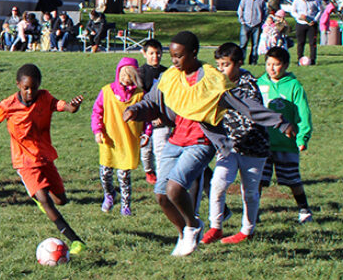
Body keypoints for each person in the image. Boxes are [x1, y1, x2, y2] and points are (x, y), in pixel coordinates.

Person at [123, 31, 294, 256]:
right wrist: (135, 110)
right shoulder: (171, 77)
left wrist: (280, 122)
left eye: (179, 56)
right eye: (172, 56)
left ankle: (193, 226)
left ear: (194, 53)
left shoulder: (212, 79)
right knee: (162, 195)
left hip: (202, 141)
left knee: (175, 188)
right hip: (175, 140)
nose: (174, 61)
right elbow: (152, 101)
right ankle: (184, 233)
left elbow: (245, 105)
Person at [0, 63, 86, 254]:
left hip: (44, 156)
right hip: (24, 160)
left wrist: (74, 106)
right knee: (44, 199)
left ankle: (41, 198)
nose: (30, 92)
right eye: (26, 88)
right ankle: (75, 240)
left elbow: (65, 107)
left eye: (34, 87)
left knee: (61, 200)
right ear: (18, 85)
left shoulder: (45, 98)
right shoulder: (7, 106)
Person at [205, 43, 274, 245]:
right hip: (228, 146)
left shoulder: (248, 84)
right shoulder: (216, 82)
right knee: (217, 184)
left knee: (250, 192)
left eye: (225, 65)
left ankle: (247, 230)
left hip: (253, 146)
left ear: (238, 63)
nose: (221, 69)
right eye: (218, 64)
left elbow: (249, 114)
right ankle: (215, 227)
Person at [258, 46, 314, 224]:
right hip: (263, 144)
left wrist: (302, 137)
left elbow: (303, 113)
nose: (272, 68)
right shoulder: (259, 84)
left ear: (286, 65)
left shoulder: (294, 86)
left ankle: (304, 209)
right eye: (268, 64)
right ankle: (253, 212)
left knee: (292, 179)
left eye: (276, 64)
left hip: (286, 143)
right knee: (258, 181)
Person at [91, 57, 144, 216]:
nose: (126, 79)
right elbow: (97, 112)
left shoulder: (140, 95)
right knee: (105, 172)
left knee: (124, 175)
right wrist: (98, 130)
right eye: (123, 75)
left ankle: (126, 205)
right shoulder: (107, 91)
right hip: (109, 140)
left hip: (128, 141)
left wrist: (146, 134)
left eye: (130, 76)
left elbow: (147, 117)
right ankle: (109, 194)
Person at [138, 38, 166, 185]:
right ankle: (149, 171)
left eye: (158, 53)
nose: (155, 57)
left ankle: (163, 173)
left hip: (162, 117)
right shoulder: (140, 73)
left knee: (161, 147)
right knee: (146, 148)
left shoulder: (167, 73)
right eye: (151, 53)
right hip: (146, 117)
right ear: (144, 54)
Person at [290, 0, 321, 65]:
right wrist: (299, 16)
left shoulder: (314, 0)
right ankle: (300, 59)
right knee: (300, 42)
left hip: (311, 24)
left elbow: (320, 10)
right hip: (301, 24)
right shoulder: (296, 1)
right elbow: (293, 11)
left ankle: (313, 60)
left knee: (312, 42)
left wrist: (315, 20)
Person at [237, 0, 268, 64]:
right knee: (243, 45)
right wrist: (242, 20)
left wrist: (262, 21)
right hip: (246, 24)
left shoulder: (261, 0)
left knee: (255, 45)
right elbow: (240, 9)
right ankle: (241, 60)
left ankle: (253, 61)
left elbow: (265, 11)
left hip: (257, 25)